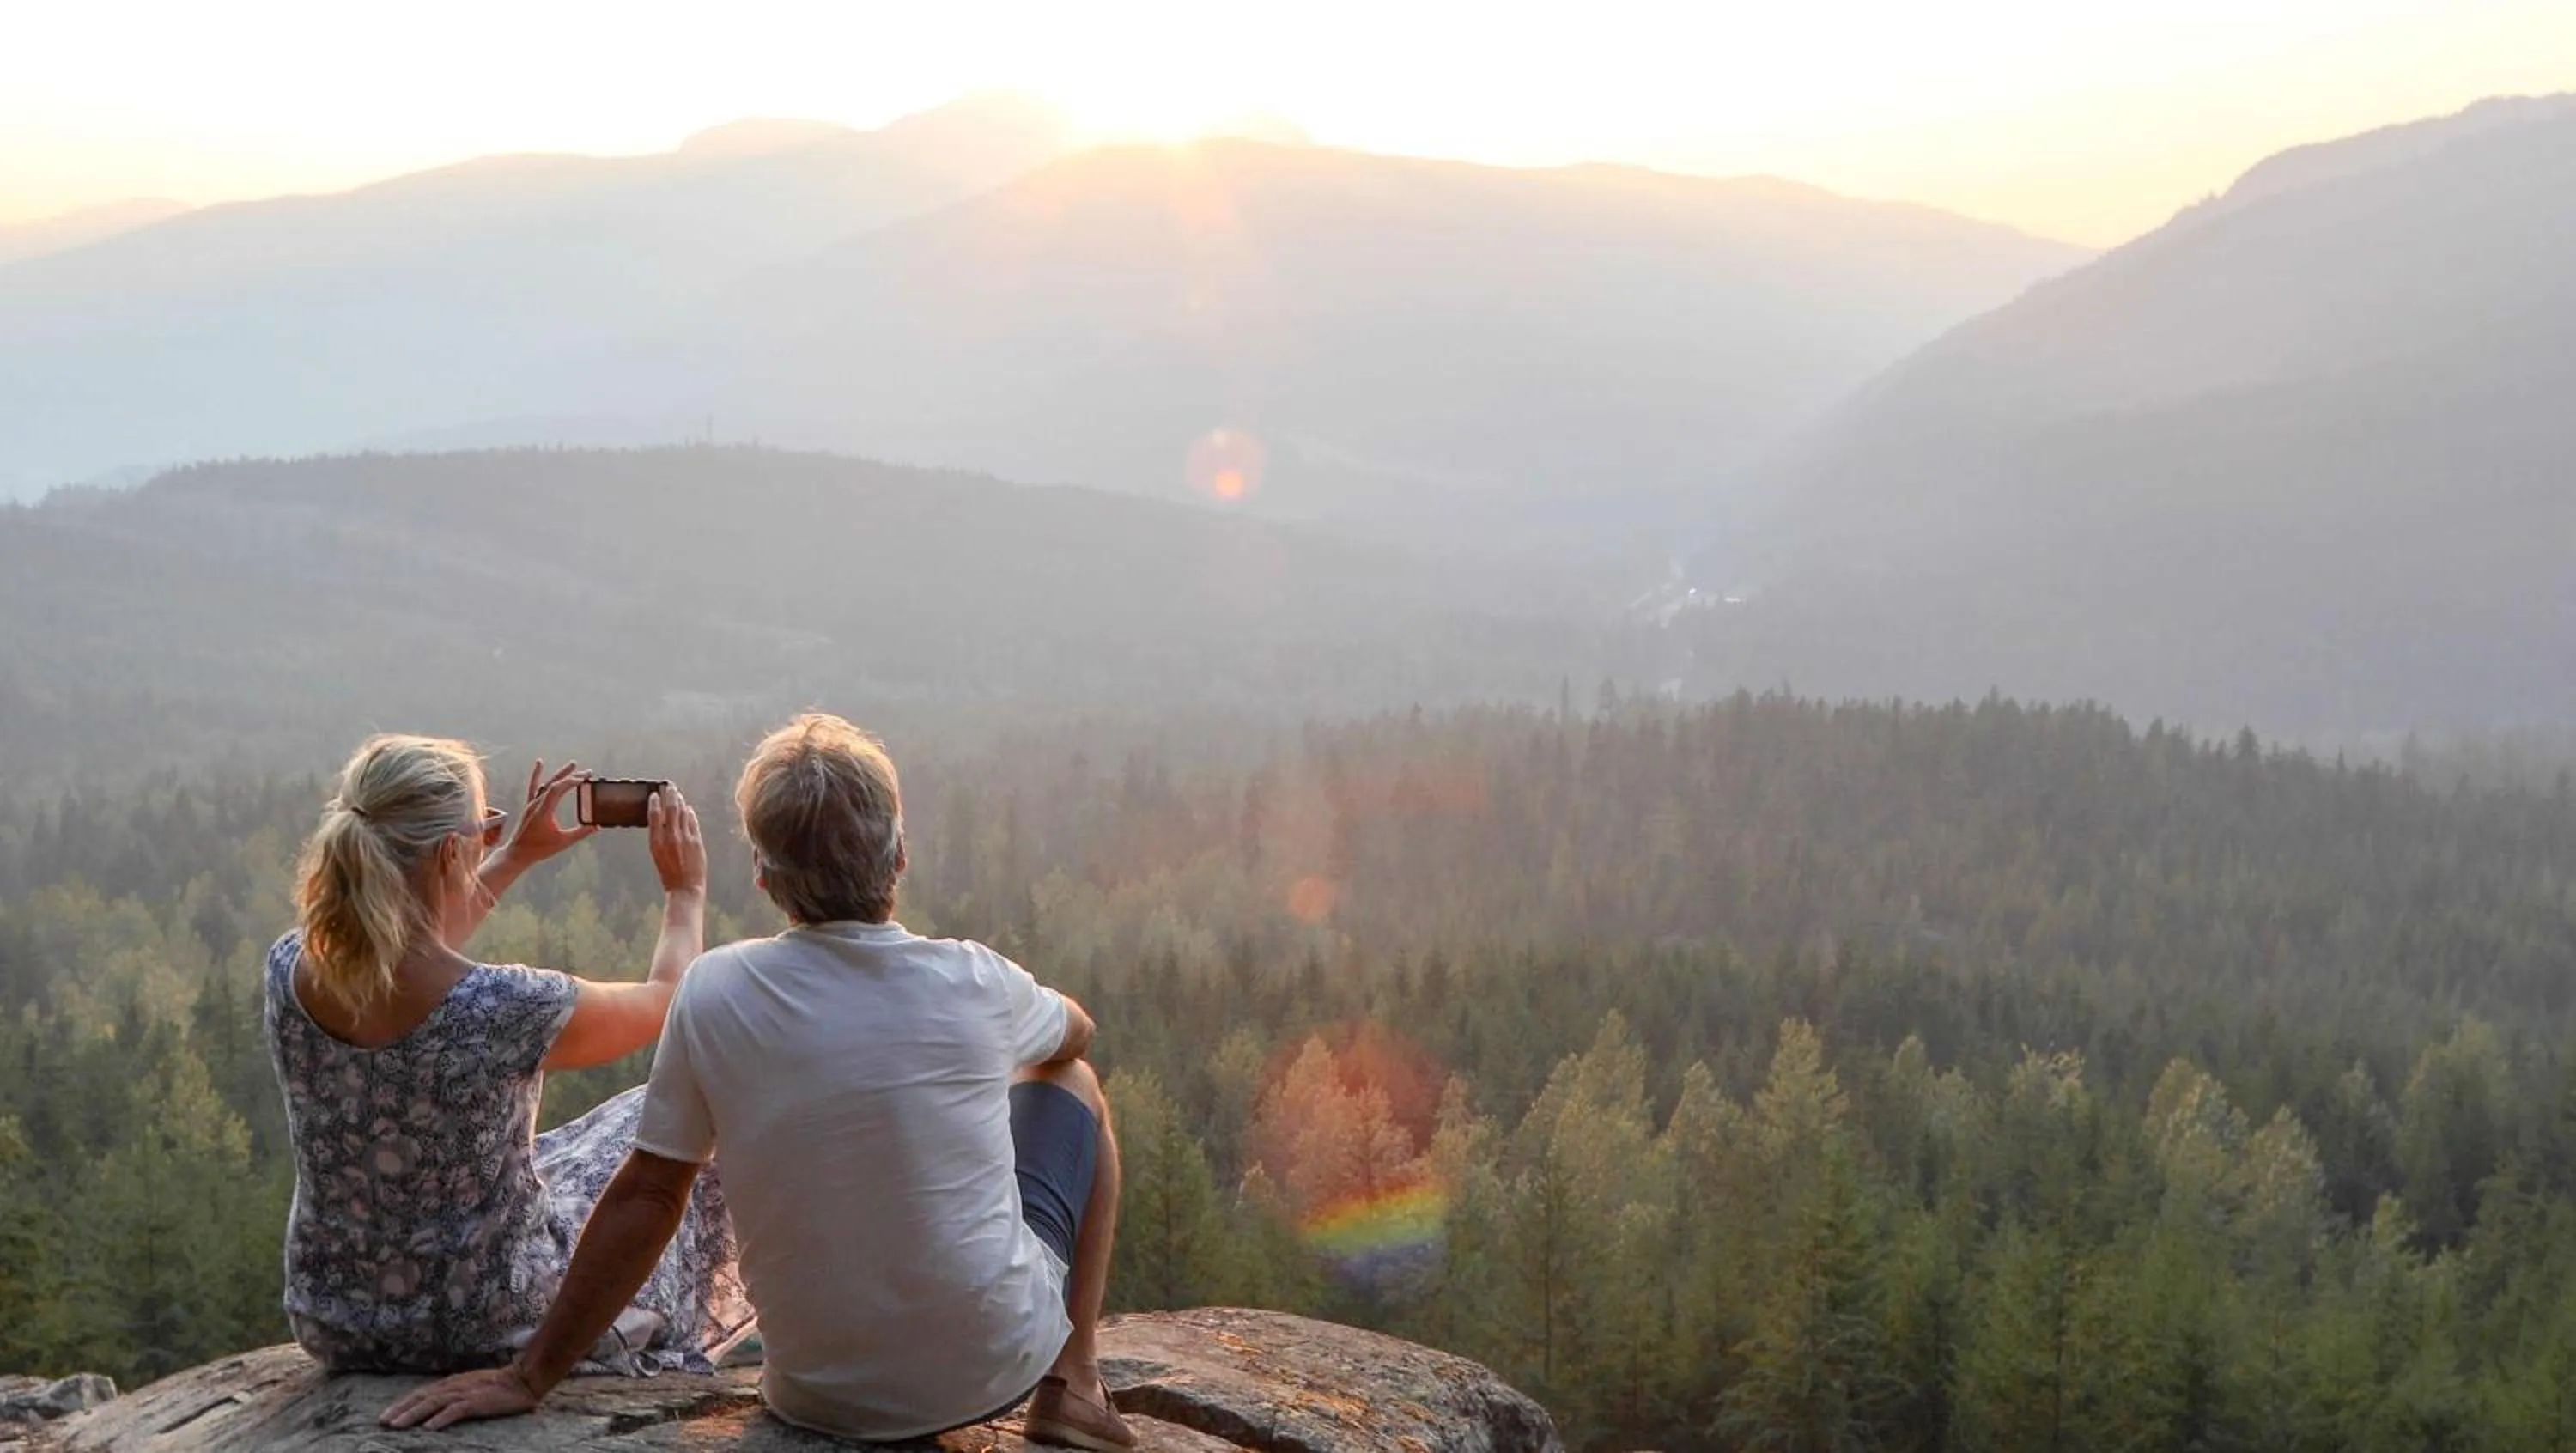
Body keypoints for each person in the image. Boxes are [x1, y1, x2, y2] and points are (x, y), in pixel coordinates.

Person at [383, 714, 1132, 1450]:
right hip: (994, 1370)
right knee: (1075, 1084)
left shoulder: (717, 990)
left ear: (765, 877)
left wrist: (530, 1377)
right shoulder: (975, 978)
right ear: (898, 856)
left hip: (818, 1398)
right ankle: (1074, 1383)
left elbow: (649, 1195)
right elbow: (1076, 1033)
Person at [267, 734, 750, 1376]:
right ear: (449, 852)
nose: (491, 839)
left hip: (334, 1317)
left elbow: (400, 943)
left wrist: (515, 853)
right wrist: (685, 893)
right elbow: (667, 1001)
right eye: (484, 831)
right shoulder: (504, 1007)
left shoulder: (291, 968)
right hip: (482, 1320)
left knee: (565, 1154)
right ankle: (657, 1330)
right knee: (679, 1121)